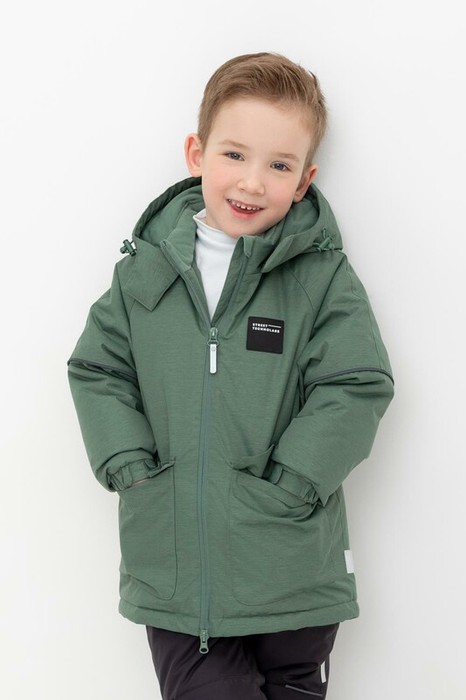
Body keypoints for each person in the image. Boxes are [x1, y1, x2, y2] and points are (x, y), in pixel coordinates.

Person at [67, 52, 394, 699]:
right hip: (177, 573)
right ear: (197, 153)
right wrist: (131, 467)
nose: (252, 182)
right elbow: (97, 367)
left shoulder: (320, 276)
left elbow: (356, 382)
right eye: (235, 154)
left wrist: (295, 481)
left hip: (290, 567)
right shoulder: (146, 272)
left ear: (304, 180)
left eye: (279, 165)